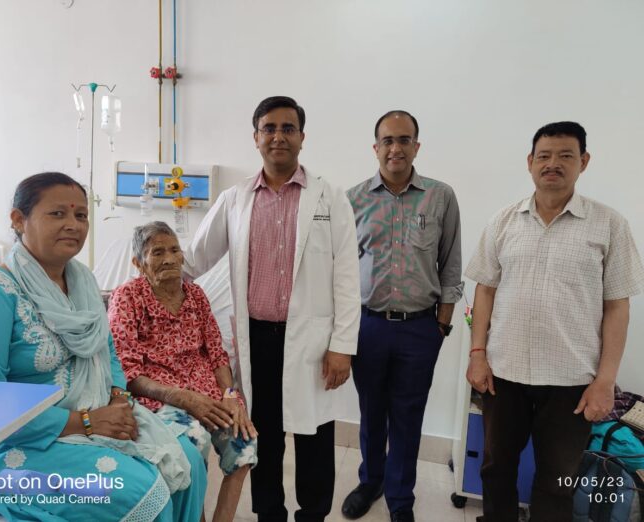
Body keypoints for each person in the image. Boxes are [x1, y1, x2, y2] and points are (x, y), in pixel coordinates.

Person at [0, 172, 207, 521]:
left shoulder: (83, 282)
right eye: (57, 213)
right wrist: (85, 421)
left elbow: (107, 351)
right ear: (18, 220)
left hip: (99, 413)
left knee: (189, 461)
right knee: (138, 491)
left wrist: (119, 401)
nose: (73, 224)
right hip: (20, 446)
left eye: (81, 215)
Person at [182, 96, 361, 522]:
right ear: (256, 137)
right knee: (262, 436)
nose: (278, 136)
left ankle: (313, 515)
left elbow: (347, 277)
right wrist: (147, 271)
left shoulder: (330, 197)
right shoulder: (235, 199)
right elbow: (193, 259)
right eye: (269, 128)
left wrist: (343, 346)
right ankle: (269, 514)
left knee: (315, 437)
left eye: (287, 128)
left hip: (313, 342)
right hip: (257, 338)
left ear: (302, 137)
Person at [465, 121, 644, 521]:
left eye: (565, 155)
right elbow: (485, 290)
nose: (553, 164)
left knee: (558, 479)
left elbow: (617, 307)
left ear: (584, 161)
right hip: (504, 374)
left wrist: (605, 381)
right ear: (530, 162)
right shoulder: (504, 221)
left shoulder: (609, 225)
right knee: (496, 467)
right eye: (544, 156)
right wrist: (477, 353)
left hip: (572, 382)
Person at [342, 111, 463, 522]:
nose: (396, 148)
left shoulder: (440, 197)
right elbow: (341, 271)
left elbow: (450, 263)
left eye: (404, 140)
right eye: (388, 140)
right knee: (371, 411)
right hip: (368, 326)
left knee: (408, 417)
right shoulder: (353, 200)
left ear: (416, 146)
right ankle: (370, 481)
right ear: (375, 147)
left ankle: (400, 499)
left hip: (420, 328)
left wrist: (441, 324)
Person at [108, 221, 258, 522]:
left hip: (209, 392)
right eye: (157, 252)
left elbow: (216, 353)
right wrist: (183, 398)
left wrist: (231, 395)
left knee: (245, 443)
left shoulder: (196, 295)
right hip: (159, 398)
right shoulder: (127, 297)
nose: (168, 258)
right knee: (193, 443)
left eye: (174, 250)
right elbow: (128, 373)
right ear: (139, 263)